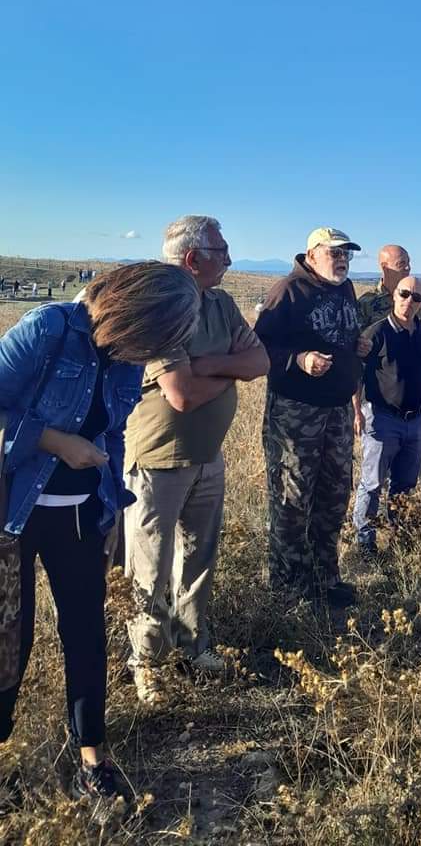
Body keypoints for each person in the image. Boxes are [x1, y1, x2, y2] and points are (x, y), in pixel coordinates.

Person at [0, 262, 199, 805]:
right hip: (12, 513)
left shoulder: (128, 358)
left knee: (86, 634)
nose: (161, 352)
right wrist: (56, 443)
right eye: (162, 337)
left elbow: (112, 435)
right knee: (8, 641)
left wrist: (112, 511)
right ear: (138, 316)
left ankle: (93, 756)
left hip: (83, 515)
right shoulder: (49, 329)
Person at [123, 216, 269, 703]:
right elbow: (180, 395)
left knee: (199, 559)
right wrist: (229, 375)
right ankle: (145, 661)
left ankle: (191, 645)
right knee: (151, 567)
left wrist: (208, 365)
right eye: (222, 252)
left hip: (207, 457)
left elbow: (260, 362)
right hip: (158, 460)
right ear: (193, 259)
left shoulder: (220, 303)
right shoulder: (161, 305)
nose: (228, 261)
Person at [255, 227, 369, 610]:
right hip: (295, 410)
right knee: (292, 498)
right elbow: (261, 347)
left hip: (336, 408)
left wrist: (357, 345)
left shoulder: (345, 289)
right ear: (311, 254)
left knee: (333, 494)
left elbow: (338, 333)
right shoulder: (288, 291)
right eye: (334, 253)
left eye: (347, 254)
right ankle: (289, 587)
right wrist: (299, 359)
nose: (342, 260)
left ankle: (325, 577)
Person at [352, 276, 421, 557]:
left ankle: (398, 537)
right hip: (381, 418)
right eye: (404, 294)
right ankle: (365, 543)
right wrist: (356, 411)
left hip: (414, 421)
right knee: (373, 483)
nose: (409, 301)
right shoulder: (376, 333)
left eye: (417, 298)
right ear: (394, 296)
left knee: (405, 484)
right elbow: (357, 374)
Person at [356, 245, 421, 514]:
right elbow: (357, 352)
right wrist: (355, 406)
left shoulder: (419, 298)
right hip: (380, 403)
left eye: (408, 262)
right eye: (400, 263)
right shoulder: (368, 304)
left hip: (415, 394)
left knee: (418, 458)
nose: (407, 266)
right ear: (384, 266)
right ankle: (367, 531)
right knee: (374, 475)